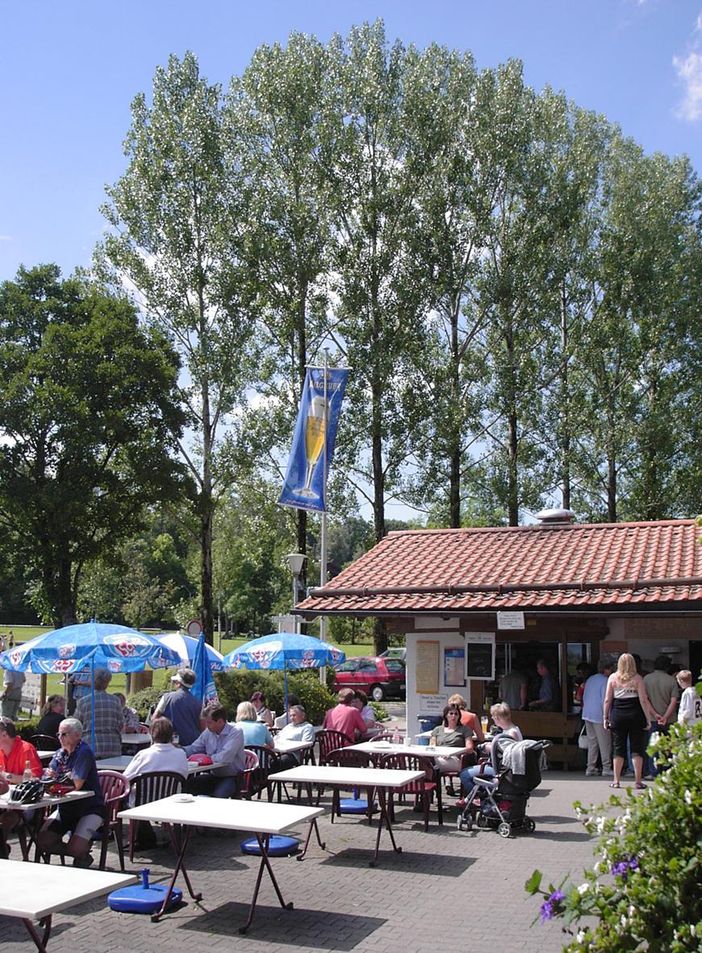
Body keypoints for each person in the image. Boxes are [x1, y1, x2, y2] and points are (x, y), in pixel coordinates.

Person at [37, 717, 106, 868]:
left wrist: (55, 781)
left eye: (64, 734)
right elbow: (47, 779)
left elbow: (76, 784)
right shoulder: (59, 754)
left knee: (75, 848)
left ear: (77, 735)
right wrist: (54, 781)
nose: (60, 738)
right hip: (65, 807)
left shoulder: (84, 752)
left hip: (89, 808)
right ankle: (80, 853)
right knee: (42, 842)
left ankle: (80, 851)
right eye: (59, 735)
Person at [603, 653, 661, 790]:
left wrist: (605, 717)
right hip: (635, 715)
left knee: (618, 748)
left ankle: (616, 781)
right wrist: (648, 718)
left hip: (618, 715)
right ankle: (638, 781)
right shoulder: (637, 679)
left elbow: (607, 700)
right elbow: (643, 700)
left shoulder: (613, 678)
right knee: (636, 749)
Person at [458, 702, 523, 800]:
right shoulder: (512, 729)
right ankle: (483, 795)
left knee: (464, 774)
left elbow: (507, 755)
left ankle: (479, 798)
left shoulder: (511, 733)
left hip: (502, 770)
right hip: (501, 768)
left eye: (493, 716)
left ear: (498, 718)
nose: (492, 718)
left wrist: (490, 748)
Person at [0, 717, 43, 854]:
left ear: (4, 734)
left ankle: (2, 850)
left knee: (7, 818)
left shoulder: (26, 749)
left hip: (26, 803)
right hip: (5, 801)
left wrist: (6, 776)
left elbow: (35, 779)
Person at [184, 703, 245, 798]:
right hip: (214, 775)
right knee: (187, 786)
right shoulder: (208, 732)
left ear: (220, 721)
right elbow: (194, 748)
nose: (206, 725)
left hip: (233, 777)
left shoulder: (235, 732)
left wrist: (207, 758)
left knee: (218, 796)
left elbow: (225, 757)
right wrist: (178, 751)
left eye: (209, 722)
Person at [643, 655, 679, 777]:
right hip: (669, 719)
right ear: (667, 666)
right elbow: (673, 701)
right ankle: (667, 771)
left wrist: (655, 714)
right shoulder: (671, 680)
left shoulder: (646, 679)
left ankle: (653, 771)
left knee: (653, 746)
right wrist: (665, 716)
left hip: (653, 718)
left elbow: (645, 700)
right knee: (669, 746)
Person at [75, 668, 122, 759]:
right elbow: (120, 724)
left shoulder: (83, 701)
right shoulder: (115, 701)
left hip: (90, 745)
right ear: (107, 682)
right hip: (112, 746)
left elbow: (77, 724)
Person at [153, 668, 204, 746]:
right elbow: (202, 726)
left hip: (170, 743)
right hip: (192, 744)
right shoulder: (199, 702)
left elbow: (155, 719)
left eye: (175, 682)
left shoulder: (167, 697)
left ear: (179, 683)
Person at [581, 657, 614, 777]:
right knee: (605, 743)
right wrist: (607, 716)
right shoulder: (606, 680)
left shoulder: (590, 679)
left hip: (587, 714)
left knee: (592, 742)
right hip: (599, 714)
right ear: (606, 669)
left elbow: (585, 696)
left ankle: (591, 767)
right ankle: (606, 767)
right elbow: (605, 700)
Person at [429, 704, 475, 773]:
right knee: (423, 760)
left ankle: (432, 776)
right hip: (438, 756)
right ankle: (428, 781)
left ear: (459, 716)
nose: (453, 716)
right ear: (446, 715)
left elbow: (470, 748)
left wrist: (451, 754)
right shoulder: (437, 729)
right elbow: (432, 746)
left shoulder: (465, 729)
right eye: (451, 713)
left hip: (455, 758)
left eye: (456, 714)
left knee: (431, 765)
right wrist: (440, 754)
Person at [275, 704, 315, 771]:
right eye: (290, 716)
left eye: (294, 715)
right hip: (280, 751)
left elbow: (306, 744)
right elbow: (277, 737)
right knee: (266, 759)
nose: (292, 718)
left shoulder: (307, 727)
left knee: (278, 762)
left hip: (294, 754)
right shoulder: (288, 726)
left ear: (303, 715)